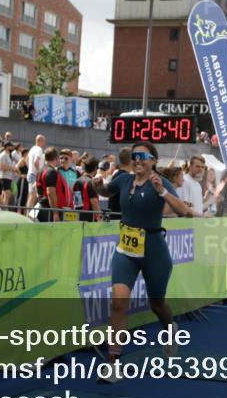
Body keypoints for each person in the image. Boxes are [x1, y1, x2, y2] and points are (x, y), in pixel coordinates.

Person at [91, 142, 187, 373]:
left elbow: (182, 210)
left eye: (143, 156)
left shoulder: (160, 182)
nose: (137, 160)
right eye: (134, 156)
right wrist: (98, 186)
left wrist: (163, 192)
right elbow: (107, 191)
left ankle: (170, 329)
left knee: (157, 304)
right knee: (118, 303)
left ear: (153, 160)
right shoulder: (124, 180)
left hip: (154, 251)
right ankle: (113, 363)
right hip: (126, 251)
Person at [71, 157, 101, 222]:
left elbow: (77, 202)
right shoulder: (91, 183)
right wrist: (99, 218)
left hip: (78, 215)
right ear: (95, 169)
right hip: (89, 217)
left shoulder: (77, 181)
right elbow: (94, 203)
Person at [25, 134, 46, 209]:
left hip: (30, 174)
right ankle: (29, 217)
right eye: (44, 141)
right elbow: (36, 161)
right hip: (35, 175)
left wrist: (30, 168)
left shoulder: (32, 148)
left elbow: (26, 160)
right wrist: (40, 172)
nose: (44, 143)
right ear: (40, 141)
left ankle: (28, 215)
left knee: (31, 197)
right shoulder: (39, 149)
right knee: (33, 197)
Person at [0, 141, 19, 207]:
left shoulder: (8, 155)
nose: (12, 148)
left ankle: (2, 209)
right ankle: (4, 209)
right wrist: (12, 168)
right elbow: (1, 167)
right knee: (7, 194)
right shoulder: (3, 155)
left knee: (5, 195)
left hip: (8, 177)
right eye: (11, 146)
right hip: (4, 177)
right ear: (7, 147)